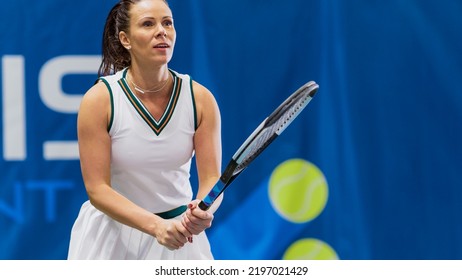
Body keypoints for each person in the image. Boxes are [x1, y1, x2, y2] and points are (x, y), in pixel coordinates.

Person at [67, 0, 222, 260]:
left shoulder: (201, 99)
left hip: (181, 237)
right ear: (125, 39)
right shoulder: (99, 100)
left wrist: (205, 210)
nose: (162, 31)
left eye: (167, 23)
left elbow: (211, 179)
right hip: (110, 239)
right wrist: (157, 227)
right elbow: (97, 189)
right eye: (148, 24)